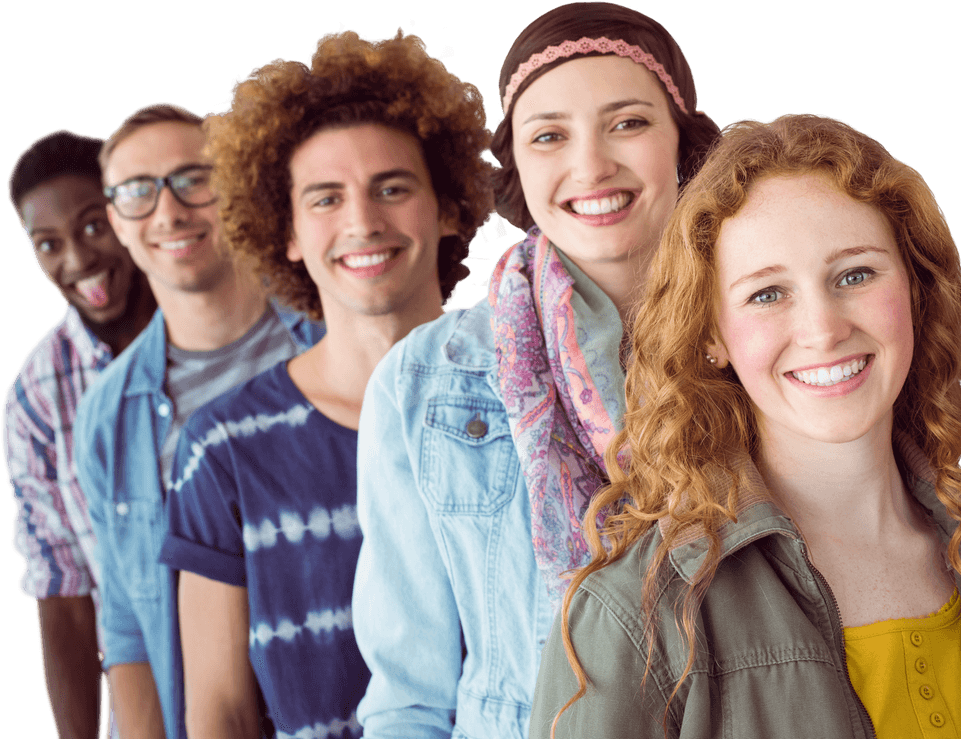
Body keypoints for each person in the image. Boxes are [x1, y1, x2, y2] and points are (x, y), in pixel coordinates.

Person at [529, 113, 961, 739]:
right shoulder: (634, 615)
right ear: (711, 335)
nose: (823, 329)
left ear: (916, 291)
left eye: (855, 275)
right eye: (767, 294)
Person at [352, 4, 720, 737]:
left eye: (628, 123)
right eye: (549, 135)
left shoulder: (773, 341)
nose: (591, 165)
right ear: (516, 163)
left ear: (684, 144)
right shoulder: (425, 378)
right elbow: (409, 701)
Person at [159, 28, 493, 739]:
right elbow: (219, 712)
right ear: (285, 232)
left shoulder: (525, 400)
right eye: (325, 199)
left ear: (449, 206)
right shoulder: (223, 450)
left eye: (391, 188)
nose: (362, 222)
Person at [75, 103, 322, 739]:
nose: (169, 211)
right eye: (137, 191)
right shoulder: (108, 414)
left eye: (194, 179)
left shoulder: (333, 335)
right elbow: (127, 624)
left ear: (237, 188)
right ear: (116, 221)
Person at [4, 129, 157, 739]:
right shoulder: (38, 395)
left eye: (94, 226)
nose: (77, 260)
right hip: (146, 710)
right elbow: (63, 595)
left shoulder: (215, 330)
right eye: (48, 244)